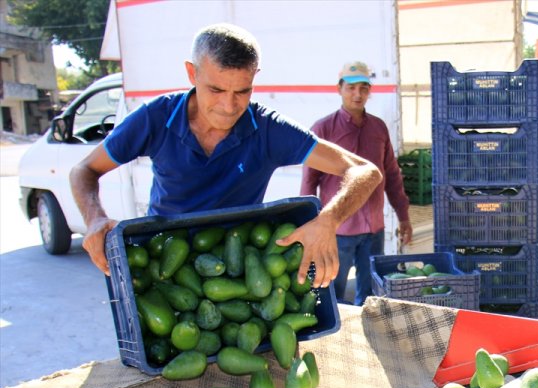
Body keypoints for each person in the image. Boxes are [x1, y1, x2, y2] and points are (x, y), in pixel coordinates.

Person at [71, 23, 382, 289]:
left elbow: (365, 171)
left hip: (240, 273)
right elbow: (83, 170)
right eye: (216, 90)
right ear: (191, 73)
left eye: (242, 91)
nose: (229, 106)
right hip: (163, 264)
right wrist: (95, 217)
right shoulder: (155, 118)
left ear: (254, 78)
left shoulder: (268, 128)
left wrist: (328, 220)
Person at [300, 61, 412, 305]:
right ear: (339, 89)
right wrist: (310, 225)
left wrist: (403, 216)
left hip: (374, 231)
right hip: (338, 231)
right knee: (331, 291)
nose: (357, 94)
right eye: (351, 88)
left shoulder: (379, 128)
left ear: (369, 91)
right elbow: (309, 182)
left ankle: (365, 339)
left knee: (372, 294)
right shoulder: (323, 129)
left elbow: (391, 174)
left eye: (363, 88)